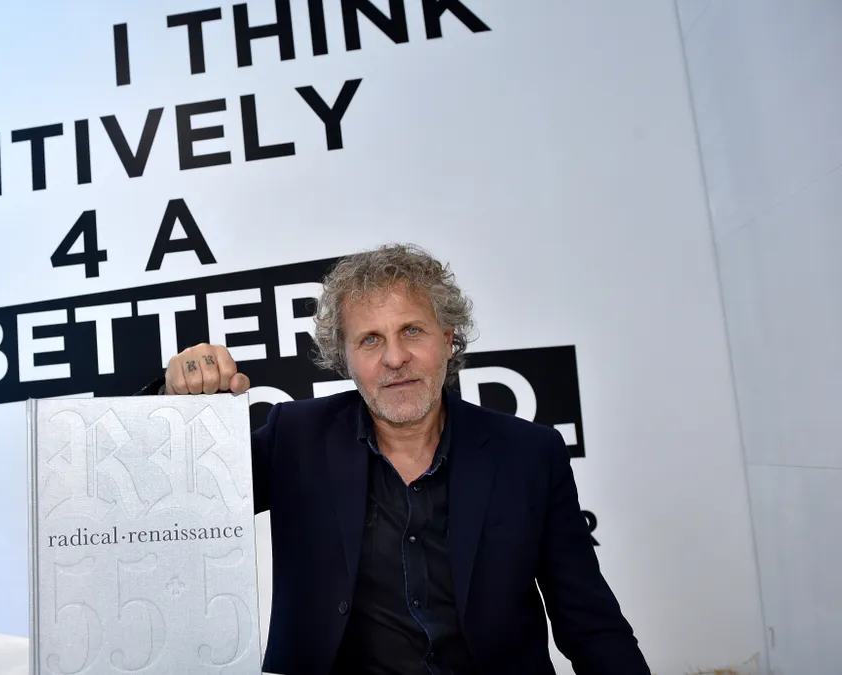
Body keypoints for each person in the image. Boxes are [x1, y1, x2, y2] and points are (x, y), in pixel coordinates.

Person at [138, 243, 650, 675]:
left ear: (447, 341)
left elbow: (589, 621)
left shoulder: (530, 454)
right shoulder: (295, 438)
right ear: (346, 359)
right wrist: (174, 396)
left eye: (412, 331)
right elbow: (172, 495)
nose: (394, 358)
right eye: (370, 340)